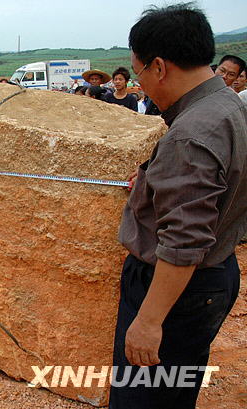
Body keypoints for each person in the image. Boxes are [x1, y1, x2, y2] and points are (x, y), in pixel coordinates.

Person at [111, 4, 247, 408]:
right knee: (174, 392)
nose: (142, 85)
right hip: (215, 274)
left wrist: (150, 322)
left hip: (174, 289)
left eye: (138, 73)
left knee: (144, 398)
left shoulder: (190, 134)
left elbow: (183, 240)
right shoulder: (231, 108)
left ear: (159, 66)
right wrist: (154, 180)